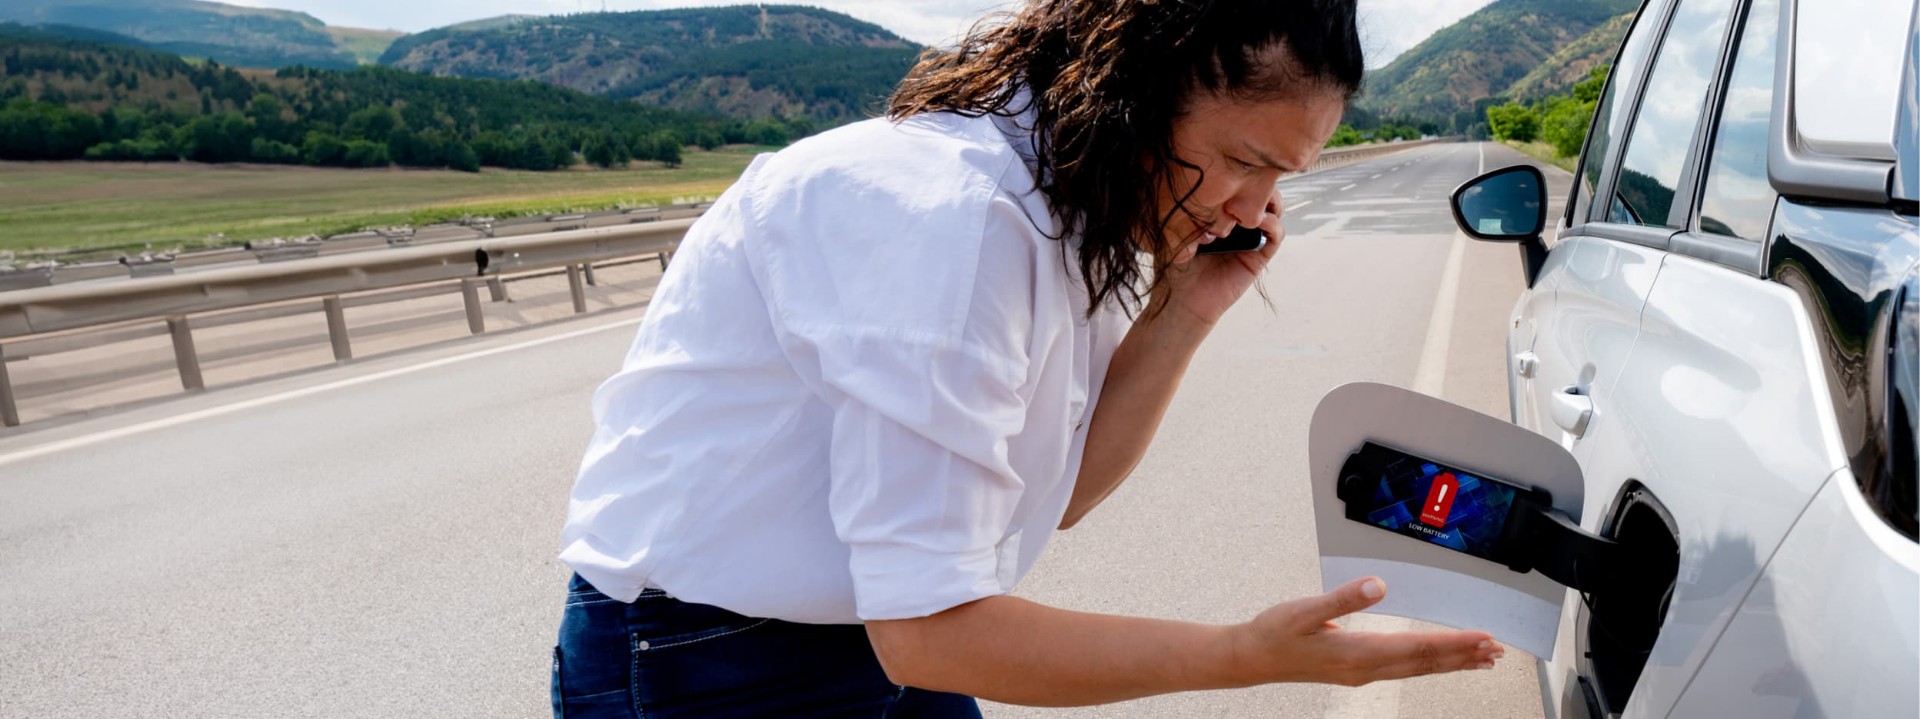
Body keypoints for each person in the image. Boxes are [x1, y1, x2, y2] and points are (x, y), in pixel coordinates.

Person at [551, 0, 1505, 715]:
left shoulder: (1065, 200)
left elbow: (1056, 495)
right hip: (706, 658)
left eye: (1279, 179)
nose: (1254, 207)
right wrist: (1249, 653)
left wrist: (1182, 309)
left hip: (880, 634)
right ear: (1135, 87)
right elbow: (933, 632)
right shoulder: (956, 223)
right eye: (1244, 158)